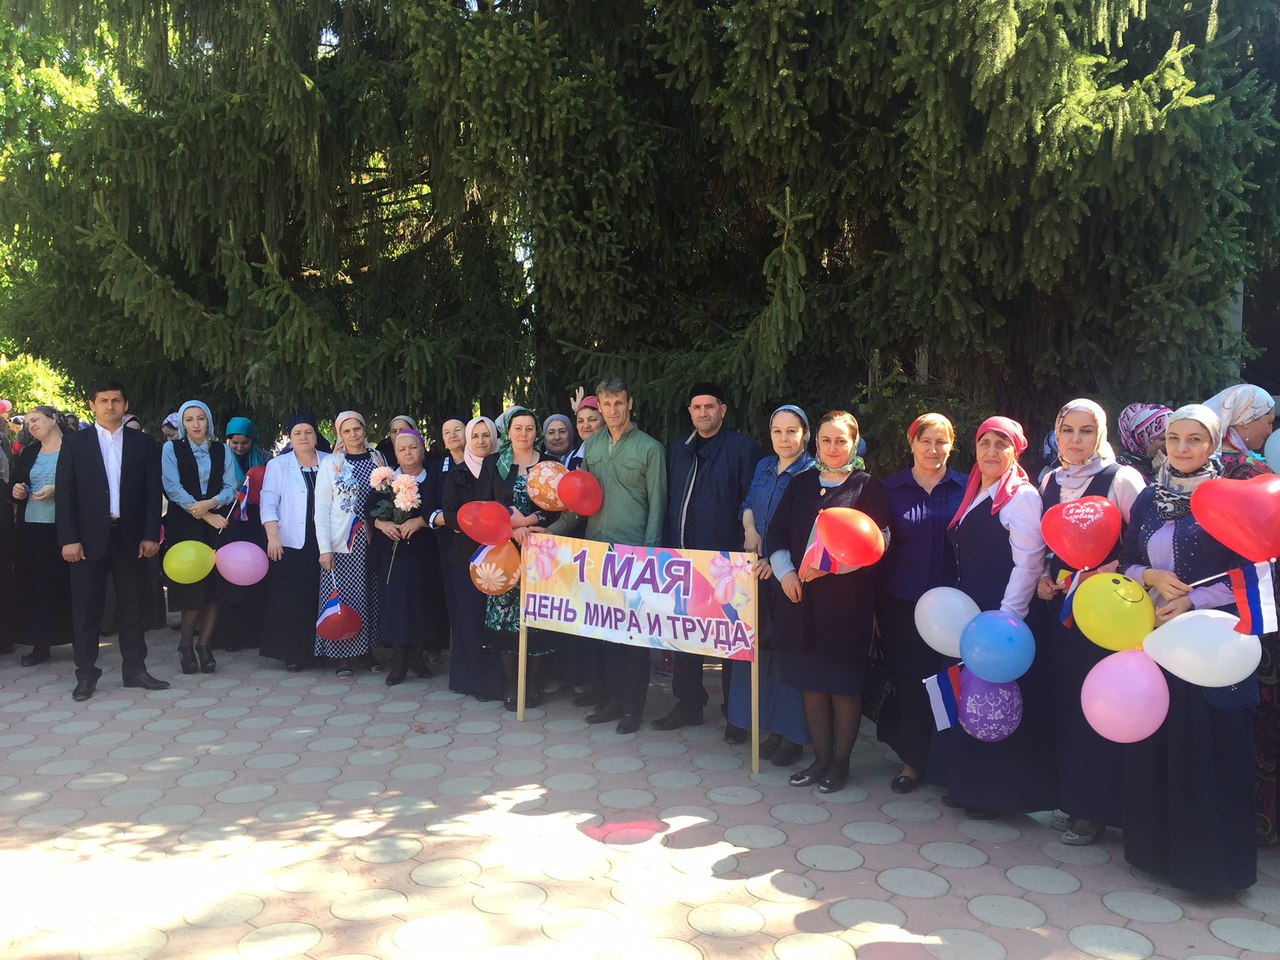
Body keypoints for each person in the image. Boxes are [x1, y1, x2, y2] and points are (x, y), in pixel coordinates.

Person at [1119, 404, 1257, 895]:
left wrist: (1195, 599)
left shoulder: (1230, 499)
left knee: (1207, 746)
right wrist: (1150, 576)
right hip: (1158, 642)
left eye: (1194, 439)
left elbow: (1256, 573)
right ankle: (1156, 854)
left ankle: (1209, 870)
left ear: (1213, 444)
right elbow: (1126, 559)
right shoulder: (1149, 499)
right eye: (1173, 438)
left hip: (1212, 646)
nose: (1182, 448)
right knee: (1164, 741)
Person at [1034, 399, 1146, 844]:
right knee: (1066, 703)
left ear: (1100, 435)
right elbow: (1049, 544)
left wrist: (1109, 569)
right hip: (1060, 613)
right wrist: (1043, 579)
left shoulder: (1121, 479)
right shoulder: (1049, 480)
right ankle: (1073, 799)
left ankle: (1096, 809)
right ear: (1056, 434)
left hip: (1104, 616)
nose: (1076, 440)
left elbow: (1143, 543)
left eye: (1086, 431)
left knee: (1097, 706)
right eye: (1068, 431)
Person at [931, 416, 1051, 816]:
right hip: (972, 610)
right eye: (986, 443)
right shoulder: (978, 490)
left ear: (1016, 452)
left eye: (1002, 444)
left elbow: (1029, 563)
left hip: (1001, 618)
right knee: (971, 696)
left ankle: (996, 795)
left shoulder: (1022, 497)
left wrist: (1005, 620)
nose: (992, 452)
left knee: (995, 699)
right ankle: (967, 785)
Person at [765, 411, 890, 793]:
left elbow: (880, 541)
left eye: (841, 440)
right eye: (826, 440)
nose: (833, 448)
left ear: (854, 442)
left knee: (843, 688)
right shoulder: (801, 483)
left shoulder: (867, 487)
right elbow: (776, 534)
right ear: (815, 443)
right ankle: (820, 761)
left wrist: (831, 567)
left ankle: (840, 765)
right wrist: (786, 574)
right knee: (813, 685)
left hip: (847, 607)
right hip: (802, 604)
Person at [548, 377, 667, 734]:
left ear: (630, 403)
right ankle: (613, 699)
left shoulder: (650, 449)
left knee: (634, 637)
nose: (613, 410)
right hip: (598, 553)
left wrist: (648, 559)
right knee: (607, 632)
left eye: (618, 403)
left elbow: (658, 508)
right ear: (599, 407)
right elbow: (579, 501)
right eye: (607, 404)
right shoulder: (592, 447)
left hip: (634, 556)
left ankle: (633, 706)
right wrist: (551, 533)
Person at [654, 383, 761, 734]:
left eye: (709, 406)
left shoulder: (742, 450)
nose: (703, 412)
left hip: (726, 564)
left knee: (730, 639)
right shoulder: (678, 450)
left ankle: (736, 713)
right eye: (697, 407)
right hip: (683, 559)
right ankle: (689, 704)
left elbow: (750, 503)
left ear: (723, 410)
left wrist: (742, 553)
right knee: (685, 634)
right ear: (690, 412)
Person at [55, 380, 168, 700]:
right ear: (92, 405)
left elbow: (152, 491)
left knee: (133, 606)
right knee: (86, 608)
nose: (110, 406)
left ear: (125, 404)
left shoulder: (142, 443)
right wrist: (69, 539)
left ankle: (135, 670)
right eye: (103, 400)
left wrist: (151, 534)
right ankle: (86, 674)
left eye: (116, 400)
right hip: (87, 539)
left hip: (130, 537)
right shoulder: (75, 443)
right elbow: (65, 494)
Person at [874, 413, 966, 793]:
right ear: (911, 443)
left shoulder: (967, 487)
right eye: (925, 441)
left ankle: (946, 764)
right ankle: (912, 761)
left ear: (951, 445)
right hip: (901, 605)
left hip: (954, 609)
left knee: (950, 682)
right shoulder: (888, 489)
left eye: (941, 441)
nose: (933, 449)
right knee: (912, 684)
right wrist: (874, 609)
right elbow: (875, 551)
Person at [726, 404, 816, 766]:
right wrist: (750, 529)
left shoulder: (811, 473)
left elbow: (808, 529)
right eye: (777, 431)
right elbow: (748, 503)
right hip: (754, 574)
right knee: (759, 652)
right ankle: (768, 727)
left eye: (791, 431)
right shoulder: (764, 466)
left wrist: (773, 561)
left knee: (787, 657)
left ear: (805, 435)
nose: (784, 438)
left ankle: (792, 736)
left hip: (789, 575)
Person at [477, 407, 562, 708]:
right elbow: (484, 505)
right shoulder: (493, 463)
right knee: (504, 617)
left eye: (529, 428)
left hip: (540, 550)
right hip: (503, 550)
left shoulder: (550, 464)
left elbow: (558, 508)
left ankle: (533, 683)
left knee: (536, 615)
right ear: (508, 432)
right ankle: (513, 684)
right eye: (518, 428)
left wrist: (528, 522)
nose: (523, 434)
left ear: (536, 432)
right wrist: (510, 528)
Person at [161, 401, 237, 674]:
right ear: (182, 423)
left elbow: (231, 487)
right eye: (189, 419)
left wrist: (212, 503)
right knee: (191, 588)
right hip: (186, 524)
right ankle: (185, 645)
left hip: (217, 524)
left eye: (201, 418)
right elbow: (172, 488)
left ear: (209, 422)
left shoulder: (222, 450)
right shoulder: (172, 449)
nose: (195, 424)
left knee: (214, 588)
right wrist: (205, 513)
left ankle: (204, 645)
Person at [314, 410, 385, 678]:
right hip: (344, 542)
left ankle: (366, 650)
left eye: (357, 429)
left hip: (373, 538)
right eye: (346, 431)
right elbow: (321, 508)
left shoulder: (378, 459)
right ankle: (341, 654)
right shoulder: (332, 464)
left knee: (369, 593)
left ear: (364, 430)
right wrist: (324, 549)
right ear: (339, 435)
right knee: (343, 595)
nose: (353, 435)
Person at [440, 416, 504, 700]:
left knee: (496, 620)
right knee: (470, 617)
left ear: (494, 438)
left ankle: (500, 680)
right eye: (475, 436)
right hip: (466, 555)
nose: (481, 441)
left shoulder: (503, 469)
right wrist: (476, 521)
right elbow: (449, 512)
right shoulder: (458, 473)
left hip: (501, 556)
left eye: (485, 435)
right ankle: (474, 681)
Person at [259, 416, 329, 670]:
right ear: (290, 437)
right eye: (297, 433)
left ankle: (322, 650)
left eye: (308, 432)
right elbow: (268, 502)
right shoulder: (279, 465)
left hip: (325, 539)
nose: (303, 437)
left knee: (320, 594)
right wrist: (273, 536)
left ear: (316, 435)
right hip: (290, 541)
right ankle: (293, 653)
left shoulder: (330, 461)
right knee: (293, 597)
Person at [368, 428, 435, 685]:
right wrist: (382, 524)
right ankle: (399, 661)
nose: (408, 453)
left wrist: (420, 521)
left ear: (422, 450)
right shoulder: (386, 480)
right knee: (395, 606)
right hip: (393, 555)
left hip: (423, 553)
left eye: (413, 447)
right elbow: (370, 510)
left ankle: (417, 657)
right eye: (402, 449)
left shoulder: (433, 478)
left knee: (421, 603)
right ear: (395, 454)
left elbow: (442, 508)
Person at [10, 406, 74, 665]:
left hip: (66, 528)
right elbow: (16, 483)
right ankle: (40, 643)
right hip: (33, 528)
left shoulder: (74, 447)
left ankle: (79, 640)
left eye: (35, 420)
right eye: (28, 423)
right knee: (37, 586)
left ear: (53, 419)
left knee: (68, 584)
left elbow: (88, 483)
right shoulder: (29, 452)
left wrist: (58, 489)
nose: (31, 426)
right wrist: (16, 490)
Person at [218, 416, 272, 651]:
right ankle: (232, 636)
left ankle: (257, 634)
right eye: (234, 443)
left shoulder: (266, 458)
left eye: (245, 442)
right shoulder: (221, 458)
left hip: (258, 524)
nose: (239, 447)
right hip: (231, 524)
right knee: (232, 580)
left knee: (259, 578)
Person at [426, 417, 468, 667]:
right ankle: (461, 660)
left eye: (457, 430)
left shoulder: (483, 463)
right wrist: (448, 520)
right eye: (446, 432)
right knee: (455, 603)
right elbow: (428, 506)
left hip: (481, 546)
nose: (452, 435)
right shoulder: (437, 468)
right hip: (449, 545)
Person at [1205, 384, 1275, 479]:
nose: (1270, 432)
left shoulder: (1198, 460)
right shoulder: (1256, 471)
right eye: (1269, 422)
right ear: (1246, 420)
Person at [1115, 403, 1171, 484]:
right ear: (1141, 439)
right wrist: (1164, 476)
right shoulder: (1123, 473)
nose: (1169, 444)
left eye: (1173, 437)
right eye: (1163, 439)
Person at [567, 396, 602, 471]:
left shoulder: (615, 453)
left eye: (592, 420)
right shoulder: (572, 457)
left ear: (605, 422)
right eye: (580, 421)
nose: (586, 426)